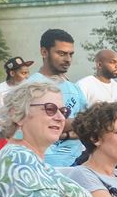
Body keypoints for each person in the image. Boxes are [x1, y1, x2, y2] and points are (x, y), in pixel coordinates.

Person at [30, 29, 88, 167]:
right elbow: (39, 126)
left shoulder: (74, 88)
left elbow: (88, 126)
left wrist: (65, 131)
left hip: (77, 163)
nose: (68, 59)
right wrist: (77, 124)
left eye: (70, 54)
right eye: (61, 53)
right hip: (43, 164)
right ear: (44, 52)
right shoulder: (31, 86)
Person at [0, 56, 34, 135]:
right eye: (23, 73)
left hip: (21, 134)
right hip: (0, 135)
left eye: (28, 73)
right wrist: (5, 124)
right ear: (12, 73)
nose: (27, 77)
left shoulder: (26, 89)